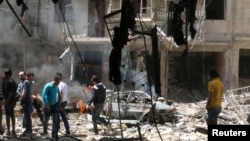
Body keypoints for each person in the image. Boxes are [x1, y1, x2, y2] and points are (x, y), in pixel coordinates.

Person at [42, 74, 60, 139]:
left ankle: (54, 134)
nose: (58, 84)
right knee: (46, 120)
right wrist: (47, 105)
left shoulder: (57, 87)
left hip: (54, 105)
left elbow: (58, 95)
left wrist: (58, 103)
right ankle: (45, 131)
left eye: (59, 82)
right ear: (54, 80)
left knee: (55, 120)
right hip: (47, 106)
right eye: (57, 82)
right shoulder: (48, 86)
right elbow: (44, 96)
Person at [2, 68, 16, 136]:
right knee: (12, 115)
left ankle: (8, 131)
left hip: (9, 102)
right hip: (13, 101)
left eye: (4, 74)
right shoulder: (13, 81)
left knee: (7, 116)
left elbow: (10, 93)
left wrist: (6, 101)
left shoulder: (9, 82)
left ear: (8, 74)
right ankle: (13, 130)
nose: (3, 75)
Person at [56, 72, 70, 136]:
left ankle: (67, 130)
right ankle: (64, 129)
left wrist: (59, 104)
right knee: (60, 116)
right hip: (64, 101)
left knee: (62, 116)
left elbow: (61, 95)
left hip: (61, 102)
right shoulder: (64, 84)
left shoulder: (59, 85)